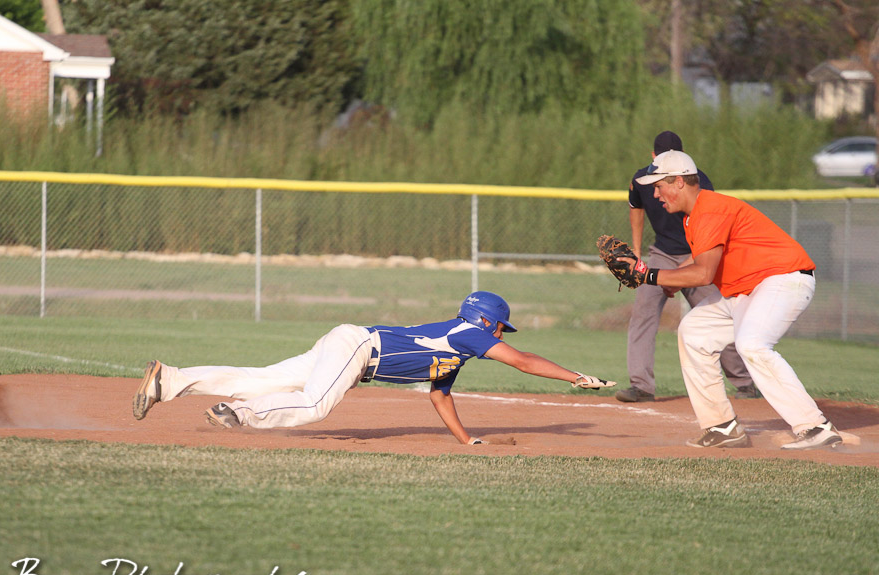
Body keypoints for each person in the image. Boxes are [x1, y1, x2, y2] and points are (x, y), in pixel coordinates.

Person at [132, 291, 614, 445]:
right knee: (316, 405)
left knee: (264, 377)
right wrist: (576, 376)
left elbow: (440, 394)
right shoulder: (467, 334)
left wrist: (467, 440)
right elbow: (523, 361)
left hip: (350, 342)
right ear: (488, 322)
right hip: (360, 348)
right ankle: (241, 414)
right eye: (500, 329)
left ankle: (170, 380)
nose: (501, 336)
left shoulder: (454, 345)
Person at [630, 150, 842, 450]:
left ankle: (815, 427)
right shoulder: (694, 217)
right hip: (745, 290)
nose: (655, 194)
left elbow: (703, 274)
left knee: (751, 344)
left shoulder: (711, 209)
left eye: (658, 185)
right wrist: (666, 278)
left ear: (678, 182)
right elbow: (700, 265)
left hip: (782, 279)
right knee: (694, 332)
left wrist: (647, 276)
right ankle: (722, 426)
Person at [618, 130, 756, 403]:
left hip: (698, 255)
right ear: (655, 158)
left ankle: (746, 383)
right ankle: (641, 386)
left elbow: (708, 225)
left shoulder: (698, 182)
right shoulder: (642, 179)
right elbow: (636, 206)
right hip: (661, 253)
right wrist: (636, 251)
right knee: (643, 315)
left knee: (717, 317)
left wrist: (683, 269)